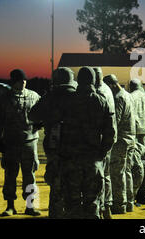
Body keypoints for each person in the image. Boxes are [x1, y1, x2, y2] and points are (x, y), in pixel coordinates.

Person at [58, 67, 116, 219]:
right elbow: (111, 133)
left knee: (72, 205)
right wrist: (102, 153)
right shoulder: (102, 101)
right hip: (93, 161)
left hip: (71, 160)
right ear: (93, 80)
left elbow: (57, 128)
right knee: (93, 204)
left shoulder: (67, 101)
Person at [28, 67, 76, 218]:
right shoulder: (78, 95)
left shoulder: (50, 97)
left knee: (56, 186)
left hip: (54, 148)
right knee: (75, 187)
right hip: (76, 148)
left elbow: (33, 115)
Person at [0, 69, 41, 216]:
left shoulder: (34, 96)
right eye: (20, 80)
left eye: (25, 80)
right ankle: (10, 205)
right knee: (10, 175)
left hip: (29, 143)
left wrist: (41, 122)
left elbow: (43, 112)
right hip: (11, 143)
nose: (23, 82)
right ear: (13, 82)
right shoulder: (5, 99)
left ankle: (30, 206)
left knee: (30, 175)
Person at [104, 74, 136, 214]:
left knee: (117, 173)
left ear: (111, 85)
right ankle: (129, 202)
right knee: (127, 172)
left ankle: (120, 204)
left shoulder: (118, 99)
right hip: (130, 138)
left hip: (121, 140)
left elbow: (114, 121)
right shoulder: (128, 95)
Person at [93, 67, 117, 219]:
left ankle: (102, 208)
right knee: (106, 175)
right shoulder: (107, 89)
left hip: (100, 141)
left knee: (98, 176)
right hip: (108, 139)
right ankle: (107, 207)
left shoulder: (99, 93)